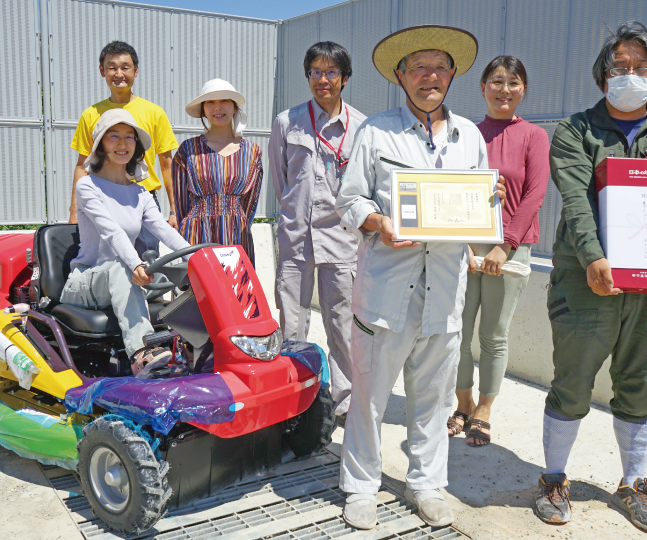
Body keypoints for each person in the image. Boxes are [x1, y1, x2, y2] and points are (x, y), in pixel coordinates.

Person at [335, 25, 506, 530]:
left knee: (433, 397)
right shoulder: (376, 132)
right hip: (386, 288)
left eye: (439, 67)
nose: (429, 76)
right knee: (369, 395)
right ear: (400, 76)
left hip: (445, 290)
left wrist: (487, 204)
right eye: (418, 67)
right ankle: (361, 486)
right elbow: (349, 200)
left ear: (452, 76)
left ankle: (427, 484)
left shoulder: (469, 136)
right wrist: (379, 222)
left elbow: (479, 204)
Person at [533, 21, 647, 533]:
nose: (630, 75)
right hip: (586, 283)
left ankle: (635, 483)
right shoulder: (574, 129)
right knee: (572, 383)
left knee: (640, 383)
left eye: (640, 67)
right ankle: (554, 478)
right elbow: (577, 200)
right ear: (602, 76)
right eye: (619, 67)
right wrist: (592, 258)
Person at [447, 56, 549, 446]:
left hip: (512, 249)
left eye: (513, 82)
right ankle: (463, 401)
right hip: (464, 245)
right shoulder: (465, 133)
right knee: (454, 330)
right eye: (497, 81)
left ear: (524, 90)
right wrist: (464, 245)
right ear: (483, 87)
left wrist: (504, 246)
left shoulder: (534, 136)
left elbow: (535, 195)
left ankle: (485, 408)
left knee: (493, 334)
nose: (504, 90)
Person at [269, 41, 366, 419]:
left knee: (342, 324)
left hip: (341, 240)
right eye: (315, 72)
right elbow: (282, 182)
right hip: (296, 239)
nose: (322, 80)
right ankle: (295, 401)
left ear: (344, 78)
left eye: (330, 72)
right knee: (291, 322)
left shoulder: (361, 127)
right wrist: (295, 215)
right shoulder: (286, 122)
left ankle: (345, 403)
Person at [61, 109, 192, 372]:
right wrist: (135, 264)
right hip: (85, 281)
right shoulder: (87, 186)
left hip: (122, 280)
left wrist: (199, 256)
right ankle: (142, 353)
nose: (123, 144)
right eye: (114, 136)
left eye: (130, 137)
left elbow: (163, 231)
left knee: (189, 276)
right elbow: (112, 232)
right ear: (100, 144)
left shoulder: (141, 193)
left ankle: (197, 349)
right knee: (123, 266)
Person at [70, 41, 179, 253]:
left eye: (125, 67)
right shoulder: (91, 114)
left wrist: (174, 210)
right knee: (104, 261)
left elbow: (167, 166)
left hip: (143, 198)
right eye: (112, 67)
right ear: (102, 71)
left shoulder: (154, 112)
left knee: (148, 265)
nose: (119, 73)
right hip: (101, 198)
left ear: (136, 71)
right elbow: (82, 166)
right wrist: (74, 210)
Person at [172, 79, 263, 264]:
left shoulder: (252, 153)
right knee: (197, 291)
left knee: (235, 291)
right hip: (196, 237)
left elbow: (250, 205)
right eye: (210, 102)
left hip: (237, 236)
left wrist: (234, 219)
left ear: (235, 107)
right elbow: (181, 203)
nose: (217, 108)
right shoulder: (188, 150)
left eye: (225, 101)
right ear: (203, 110)